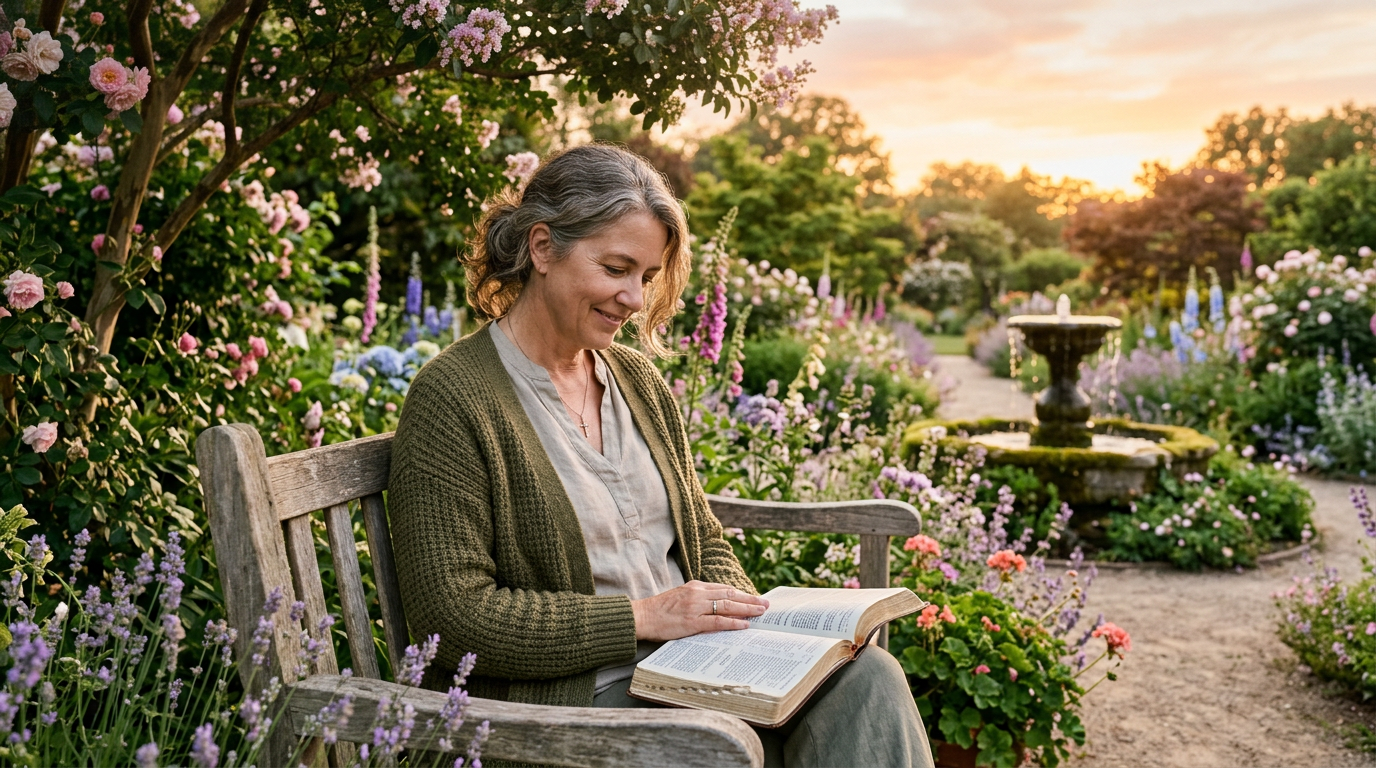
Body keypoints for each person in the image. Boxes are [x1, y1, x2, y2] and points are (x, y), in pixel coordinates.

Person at [389, 144, 934, 768]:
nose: (636, 299)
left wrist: (753, 632)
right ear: (542, 248)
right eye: (617, 268)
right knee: (720, 750)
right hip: (568, 706)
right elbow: (453, 617)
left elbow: (700, 535)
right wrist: (644, 617)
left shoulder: (636, 381)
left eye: (646, 277)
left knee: (868, 681)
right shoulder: (453, 397)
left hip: (689, 674)